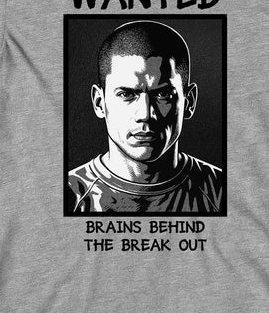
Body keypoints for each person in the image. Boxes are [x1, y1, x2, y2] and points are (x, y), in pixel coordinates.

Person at [67, 20, 223, 214]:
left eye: (162, 94)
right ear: (99, 103)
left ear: (189, 102)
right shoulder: (68, 197)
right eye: (126, 94)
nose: (145, 114)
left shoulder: (223, 193)